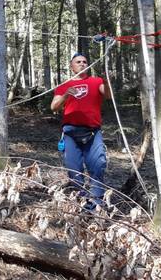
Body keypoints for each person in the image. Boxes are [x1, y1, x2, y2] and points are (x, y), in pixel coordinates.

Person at [50, 52, 111, 210]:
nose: (82, 64)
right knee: (74, 171)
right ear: (72, 67)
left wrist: (107, 80)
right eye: (78, 62)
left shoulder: (96, 81)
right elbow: (54, 107)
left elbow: (109, 96)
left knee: (98, 165)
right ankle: (81, 205)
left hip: (92, 132)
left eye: (85, 61)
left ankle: (96, 205)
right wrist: (65, 96)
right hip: (70, 133)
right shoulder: (64, 85)